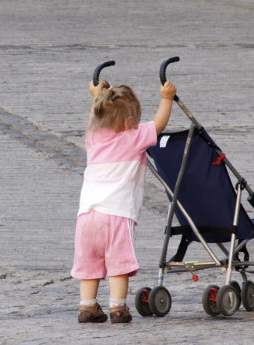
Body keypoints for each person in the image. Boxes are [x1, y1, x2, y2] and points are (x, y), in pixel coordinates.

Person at [71, 78, 176, 323]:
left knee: (89, 263)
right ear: (129, 122)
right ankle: (118, 308)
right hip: (118, 214)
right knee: (118, 264)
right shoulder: (134, 136)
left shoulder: (93, 137)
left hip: (87, 215)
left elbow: (95, 118)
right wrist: (166, 98)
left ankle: (87, 307)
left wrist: (96, 97)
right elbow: (159, 124)